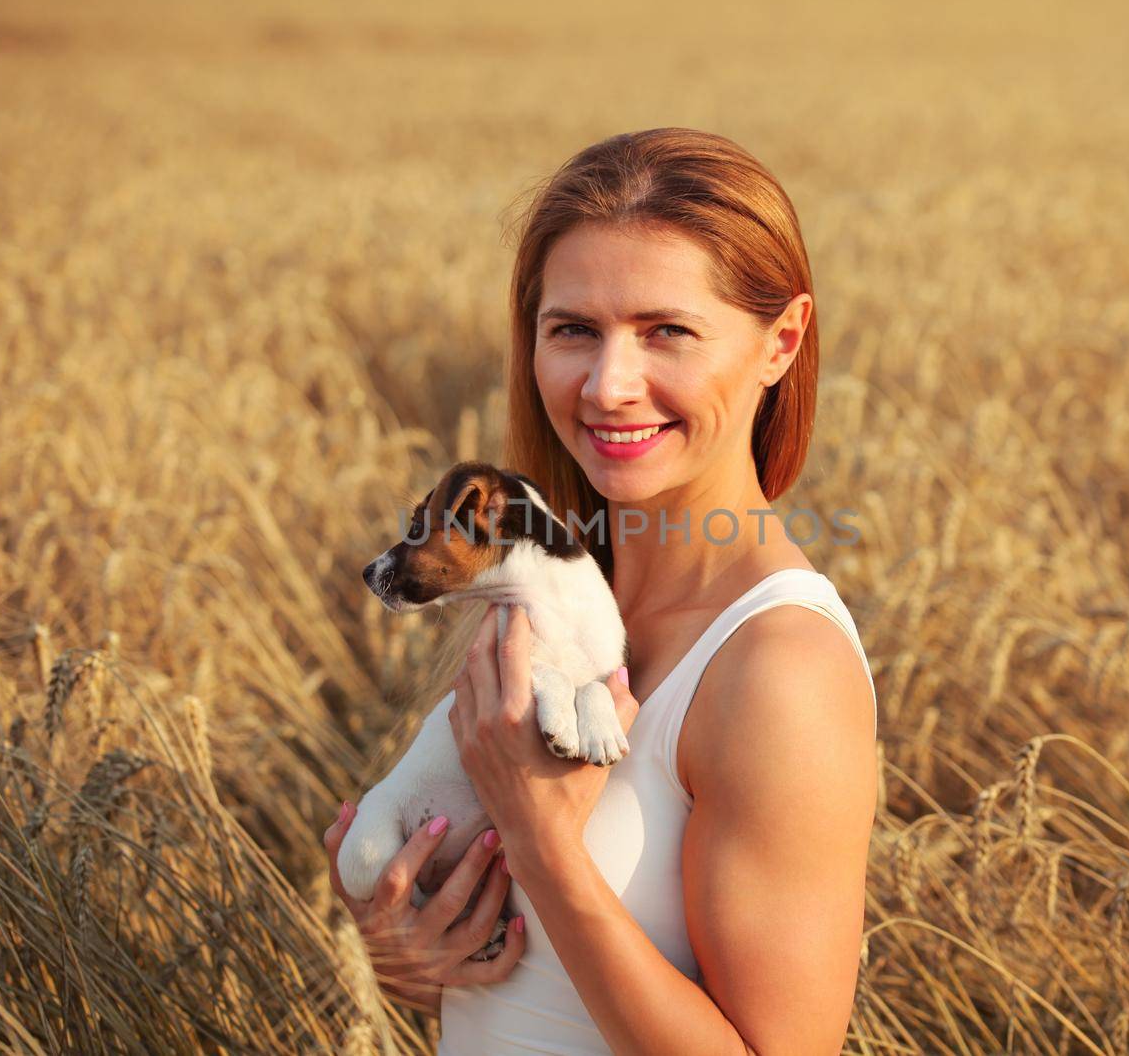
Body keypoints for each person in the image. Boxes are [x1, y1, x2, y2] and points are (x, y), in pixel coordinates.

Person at [323, 127, 877, 1055]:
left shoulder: (779, 668)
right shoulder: (544, 601)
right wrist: (405, 945)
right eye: (573, 329)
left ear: (781, 342)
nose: (610, 385)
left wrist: (545, 848)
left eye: (668, 331)